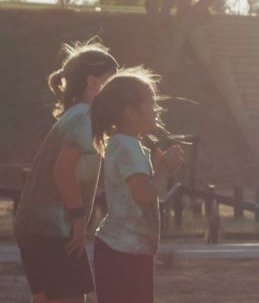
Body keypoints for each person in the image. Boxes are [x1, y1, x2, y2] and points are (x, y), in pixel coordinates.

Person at [14, 39, 119, 303]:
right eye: (111, 83)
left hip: (33, 226)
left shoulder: (73, 115)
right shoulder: (85, 117)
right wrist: (79, 218)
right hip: (55, 228)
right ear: (94, 82)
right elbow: (64, 170)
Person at [90, 68, 184, 303]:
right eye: (151, 103)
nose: (157, 109)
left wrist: (159, 170)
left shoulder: (127, 145)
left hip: (126, 249)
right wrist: (164, 171)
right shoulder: (126, 146)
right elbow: (143, 194)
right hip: (123, 252)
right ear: (130, 112)